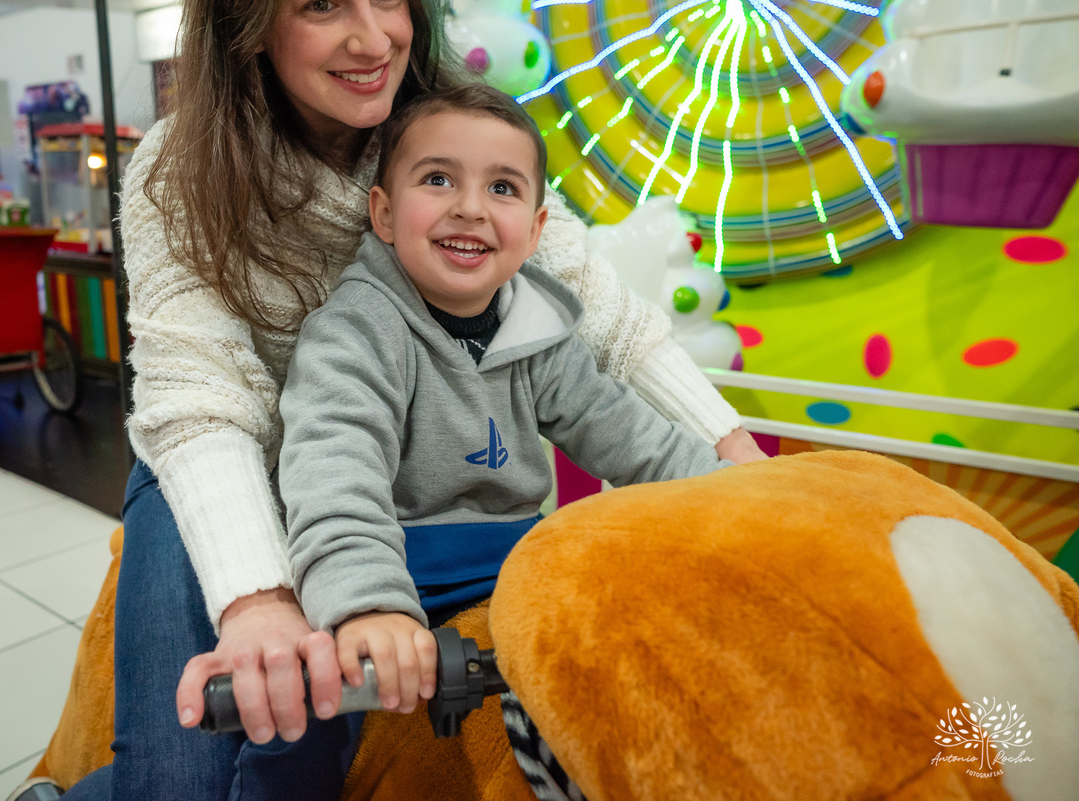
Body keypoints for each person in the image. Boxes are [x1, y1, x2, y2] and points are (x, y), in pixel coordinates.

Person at [57, 0, 765, 797]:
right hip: (239, 462)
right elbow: (205, 399)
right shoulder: (194, 181)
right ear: (246, 22)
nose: (373, 38)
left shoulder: (453, 129)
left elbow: (607, 342)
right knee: (197, 768)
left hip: (399, 487)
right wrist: (262, 600)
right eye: (323, 3)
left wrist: (735, 464)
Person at [280, 84, 733, 730]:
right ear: (383, 213)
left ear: (535, 231)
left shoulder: (537, 329)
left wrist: (735, 493)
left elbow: (632, 437)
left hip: (520, 567)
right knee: (305, 723)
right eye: (438, 179)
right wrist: (368, 604)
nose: (470, 208)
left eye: (502, 188)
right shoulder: (356, 332)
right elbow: (334, 471)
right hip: (402, 574)